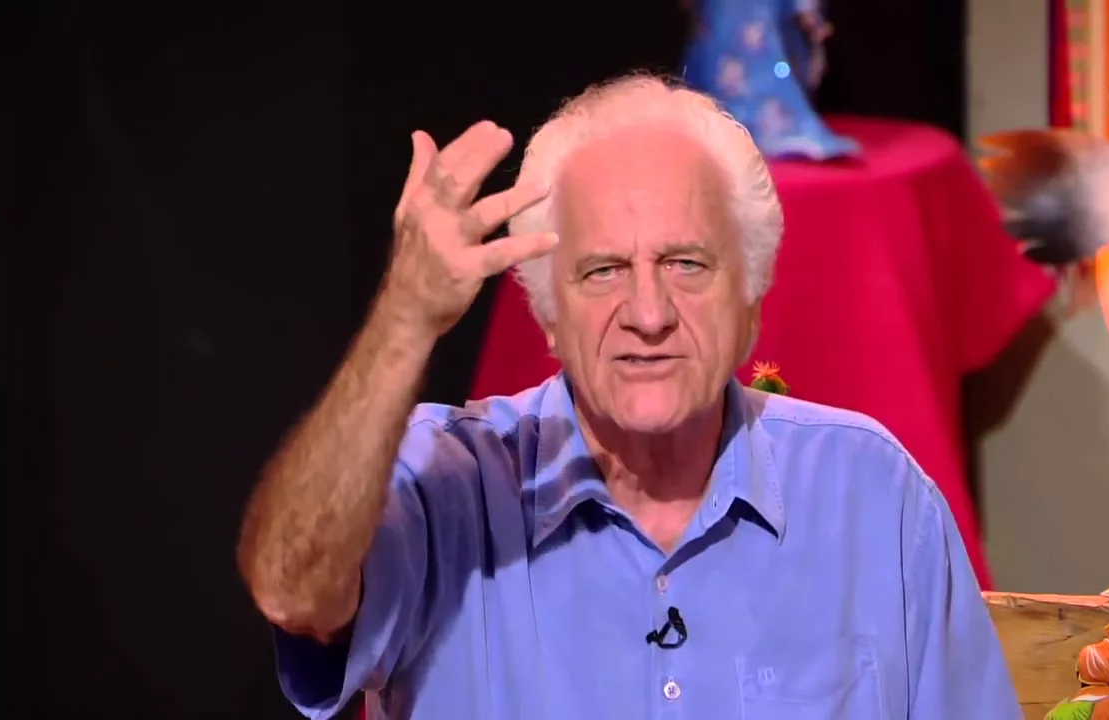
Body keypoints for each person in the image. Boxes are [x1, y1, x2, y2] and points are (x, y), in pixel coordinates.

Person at [236, 74, 1020, 720]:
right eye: (603, 270)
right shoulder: (449, 488)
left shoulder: (875, 497)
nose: (648, 313)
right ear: (549, 314)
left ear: (752, 296)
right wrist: (404, 321)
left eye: (686, 264)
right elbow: (289, 588)